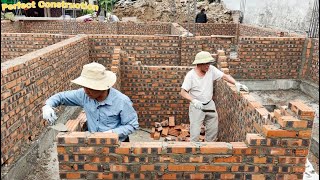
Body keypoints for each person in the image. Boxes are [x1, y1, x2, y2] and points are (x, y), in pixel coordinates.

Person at [42, 62, 139, 142]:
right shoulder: (84, 95)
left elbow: (132, 125)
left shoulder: (122, 101)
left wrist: (111, 133)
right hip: (94, 143)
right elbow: (61, 97)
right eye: (85, 87)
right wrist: (48, 106)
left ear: (103, 87)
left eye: (91, 88)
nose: (86, 91)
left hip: (116, 144)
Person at [180, 51, 249, 142]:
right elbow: (183, 92)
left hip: (209, 104)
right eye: (206, 64)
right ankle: (195, 152)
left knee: (213, 130)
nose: (208, 65)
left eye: (209, 63)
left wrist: (236, 83)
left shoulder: (211, 69)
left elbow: (225, 76)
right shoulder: (191, 76)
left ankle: (209, 149)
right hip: (197, 106)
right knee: (195, 132)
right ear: (199, 64)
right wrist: (194, 101)